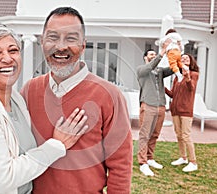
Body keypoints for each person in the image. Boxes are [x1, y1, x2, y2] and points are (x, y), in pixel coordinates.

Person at [0, 22, 88, 194]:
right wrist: (56, 145)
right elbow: (2, 179)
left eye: (13, 50)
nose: (7, 58)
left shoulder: (17, 100)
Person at [21, 7, 133, 194]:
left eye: (71, 38)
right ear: (42, 42)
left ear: (83, 45)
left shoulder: (110, 95)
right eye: (53, 37)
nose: (61, 46)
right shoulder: (29, 91)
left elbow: (120, 164)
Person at [136, 44, 173, 176]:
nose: (153, 56)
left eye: (154, 54)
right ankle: (143, 163)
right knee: (145, 134)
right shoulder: (142, 70)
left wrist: (176, 55)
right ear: (145, 58)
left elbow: (173, 69)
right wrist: (161, 53)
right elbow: (149, 67)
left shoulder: (160, 71)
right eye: (151, 54)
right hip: (148, 105)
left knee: (155, 134)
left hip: (161, 106)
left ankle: (150, 158)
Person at [165, 53, 199, 172]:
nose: (184, 59)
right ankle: (183, 157)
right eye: (182, 58)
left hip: (186, 110)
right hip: (175, 110)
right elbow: (173, 94)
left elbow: (191, 88)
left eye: (186, 58)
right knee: (179, 135)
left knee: (186, 136)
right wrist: (162, 87)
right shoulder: (177, 77)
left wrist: (188, 77)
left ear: (191, 61)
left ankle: (193, 162)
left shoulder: (194, 74)